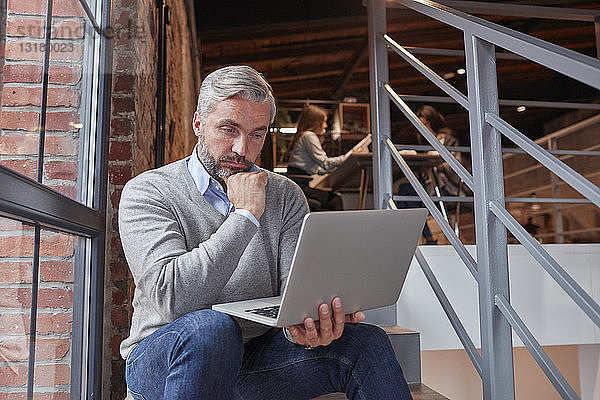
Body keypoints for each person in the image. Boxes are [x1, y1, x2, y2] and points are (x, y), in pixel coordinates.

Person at [118, 65, 413, 400]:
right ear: (198, 124)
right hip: (166, 356)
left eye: (257, 134)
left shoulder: (285, 195)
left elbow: (293, 293)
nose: (243, 150)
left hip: (256, 357)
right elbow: (172, 299)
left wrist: (305, 326)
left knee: (367, 342)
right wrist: (244, 217)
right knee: (211, 330)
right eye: (229, 130)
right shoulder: (149, 191)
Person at [396, 105, 463, 244]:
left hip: (447, 188)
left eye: (425, 124)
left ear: (433, 122)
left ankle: (423, 238)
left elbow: (453, 168)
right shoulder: (429, 143)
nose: (423, 129)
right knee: (404, 193)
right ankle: (424, 238)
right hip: (432, 188)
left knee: (408, 195)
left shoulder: (446, 139)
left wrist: (432, 159)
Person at [286, 104, 349, 211]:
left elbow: (319, 168)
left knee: (328, 201)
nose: (325, 126)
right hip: (301, 186)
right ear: (315, 122)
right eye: (323, 122)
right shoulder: (309, 135)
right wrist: (347, 157)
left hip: (297, 184)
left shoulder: (303, 136)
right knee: (335, 199)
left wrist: (334, 168)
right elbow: (324, 162)